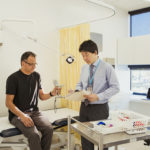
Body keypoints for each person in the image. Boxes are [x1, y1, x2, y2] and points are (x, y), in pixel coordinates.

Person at [5, 51, 61, 150]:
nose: (34, 67)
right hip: (18, 115)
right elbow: (8, 103)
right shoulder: (13, 78)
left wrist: (53, 93)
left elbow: (42, 96)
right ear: (23, 63)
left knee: (49, 129)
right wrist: (22, 116)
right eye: (31, 64)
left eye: (35, 64)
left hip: (35, 112)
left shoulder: (36, 76)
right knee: (34, 135)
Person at [75, 40, 120, 150]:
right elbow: (80, 83)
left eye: (86, 55)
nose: (84, 58)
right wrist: (77, 90)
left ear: (95, 52)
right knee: (85, 138)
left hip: (99, 108)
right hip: (84, 107)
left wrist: (98, 96)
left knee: (101, 140)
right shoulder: (84, 68)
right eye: (82, 55)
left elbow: (115, 88)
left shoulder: (107, 67)